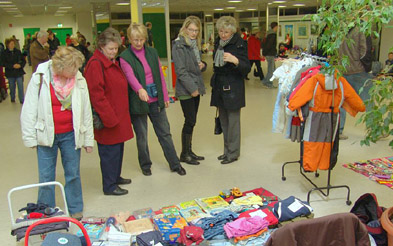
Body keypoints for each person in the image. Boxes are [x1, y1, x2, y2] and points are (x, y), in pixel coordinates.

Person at [20, 46, 94, 219]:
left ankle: (75, 209)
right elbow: (29, 108)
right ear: (61, 67)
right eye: (73, 67)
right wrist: (30, 138)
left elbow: (86, 111)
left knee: (73, 173)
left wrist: (88, 140)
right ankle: (46, 209)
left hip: (71, 134)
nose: (77, 71)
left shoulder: (79, 79)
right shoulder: (40, 76)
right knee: (46, 176)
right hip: (46, 135)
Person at [119, 23, 186, 176]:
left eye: (141, 39)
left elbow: (159, 75)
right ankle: (145, 165)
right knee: (142, 136)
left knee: (165, 133)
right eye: (135, 40)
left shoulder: (152, 52)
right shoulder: (124, 58)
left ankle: (175, 164)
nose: (138, 43)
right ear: (129, 39)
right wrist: (140, 89)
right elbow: (130, 77)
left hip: (155, 99)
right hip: (138, 101)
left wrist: (164, 95)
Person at [84, 27, 134, 196]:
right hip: (108, 117)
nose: (114, 52)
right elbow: (96, 96)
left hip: (118, 114)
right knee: (109, 153)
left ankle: (115, 176)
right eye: (110, 49)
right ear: (101, 47)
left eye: (116, 48)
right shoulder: (96, 65)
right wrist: (110, 118)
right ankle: (109, 185)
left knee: (118, 150)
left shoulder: (111, 60)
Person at [211, 16, 251, 164]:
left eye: (226, 32)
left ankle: (233, 153)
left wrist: (236, 61)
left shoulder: (239, 43)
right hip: (220, 86)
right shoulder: (218, 42)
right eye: (221, 31)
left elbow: (246, 68)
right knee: (224, 121)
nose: (223, 34)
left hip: (233, 87)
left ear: (232, 31)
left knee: (233, 122)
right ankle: (226, 151)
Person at [172, 16, 207, 165]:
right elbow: (180, 71)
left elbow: (197, 65)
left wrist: (203, 65)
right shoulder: (179, 45)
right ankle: (184, 154)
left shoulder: (193, 45)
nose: (193, 33)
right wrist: (192, 89)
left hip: (196, 87)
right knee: (189, 120)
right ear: (185, 29)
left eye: (196, 30)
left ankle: (189, 151)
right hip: (186, 89)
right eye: (191, 30)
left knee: (192, 121)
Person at [338, 27, 374, 140]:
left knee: (342, 102)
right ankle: (374, 130)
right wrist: (367, 67)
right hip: (359, 70)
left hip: (343, 70)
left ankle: (338, 131)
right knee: (369, 101)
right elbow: (365, 51)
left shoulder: (340, 31)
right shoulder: (361, 30)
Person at [2, 38, 26, 103]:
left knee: (20, 86)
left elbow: (23, 61)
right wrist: (12, 66)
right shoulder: (4, 53)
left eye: (13, 44)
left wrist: (20, 65)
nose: (13, 45)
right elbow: (3, 63)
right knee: (12, 87)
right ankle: (12, 98)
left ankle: (22, 99)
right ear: (7, 45)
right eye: (11, 44)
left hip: (19, 72)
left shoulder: (18, 51)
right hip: (10, 73)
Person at [262, 22, 278, 88]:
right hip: (270, 54)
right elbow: (269, 45)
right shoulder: (272, 35)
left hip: (268, 53)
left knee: (272, 69)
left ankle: (266, 81)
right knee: (271, 70)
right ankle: (268, 83)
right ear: (275, 27)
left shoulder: (268, 34)